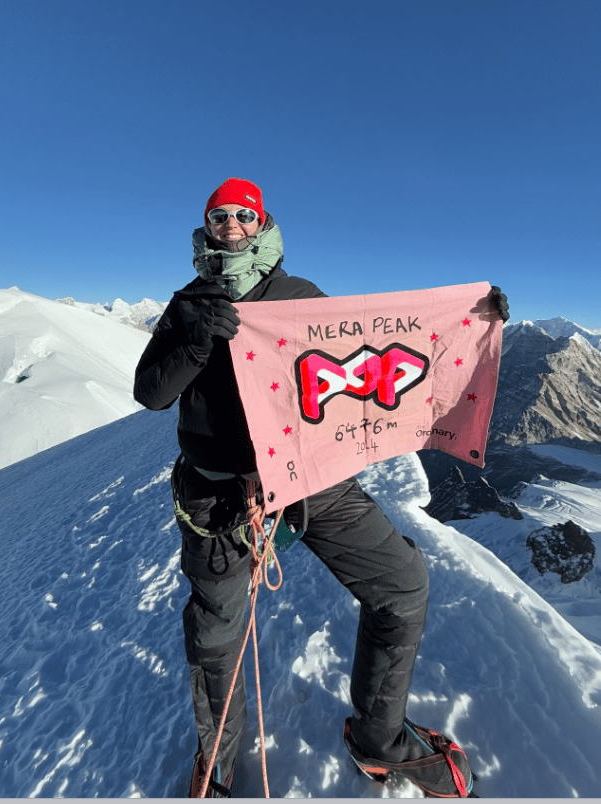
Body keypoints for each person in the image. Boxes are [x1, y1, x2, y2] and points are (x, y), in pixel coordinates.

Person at [133, 178, 509, 798]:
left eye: (243, 214)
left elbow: (369, 356)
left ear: (262, 224)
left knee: (401, 583)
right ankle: (219, 760)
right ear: (207, 228)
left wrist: (474, 322)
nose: (231, 223)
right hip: (219, 495)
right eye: (219, 215)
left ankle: (379, 736)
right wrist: (195, 337)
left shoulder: (300, 299)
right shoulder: (187, 305)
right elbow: (152, 392)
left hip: (311, 479)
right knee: (215, 633)